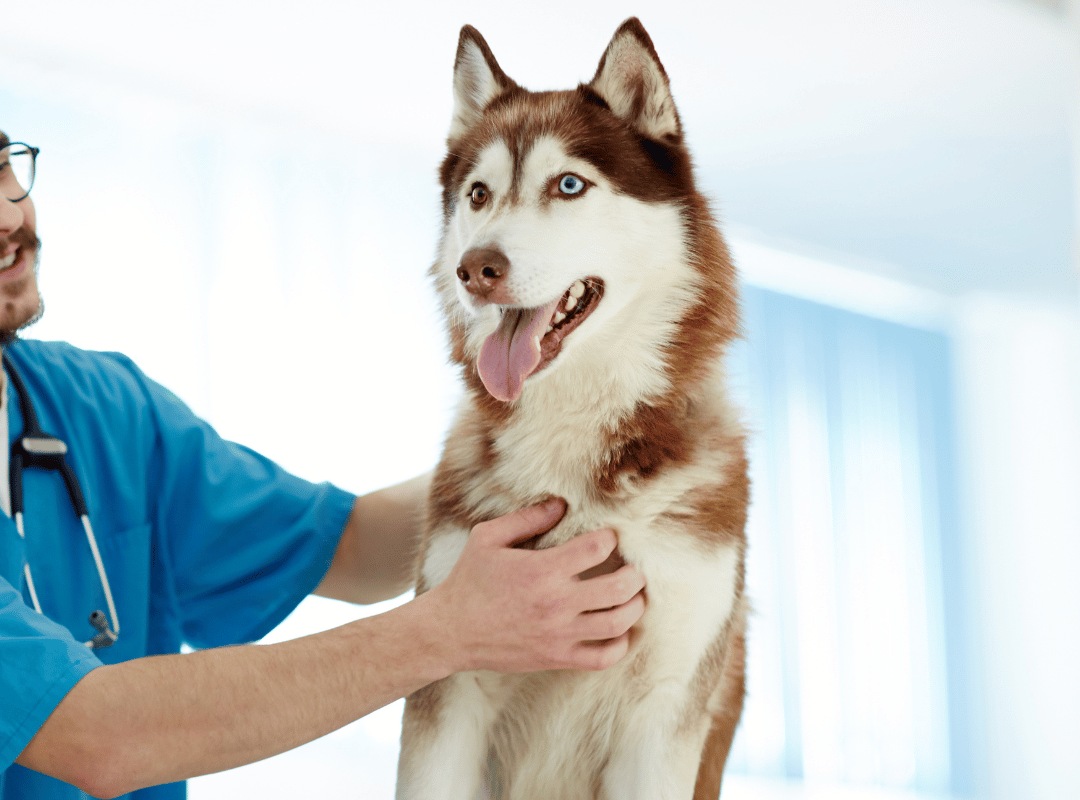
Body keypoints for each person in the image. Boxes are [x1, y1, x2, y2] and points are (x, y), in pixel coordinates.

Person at [0, 131, 647, 800]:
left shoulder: (99, 409)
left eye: (1, 167)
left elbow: (355, 546)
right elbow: (95, 736)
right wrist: (449, 630)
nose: (11, 216)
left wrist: (552, 457)